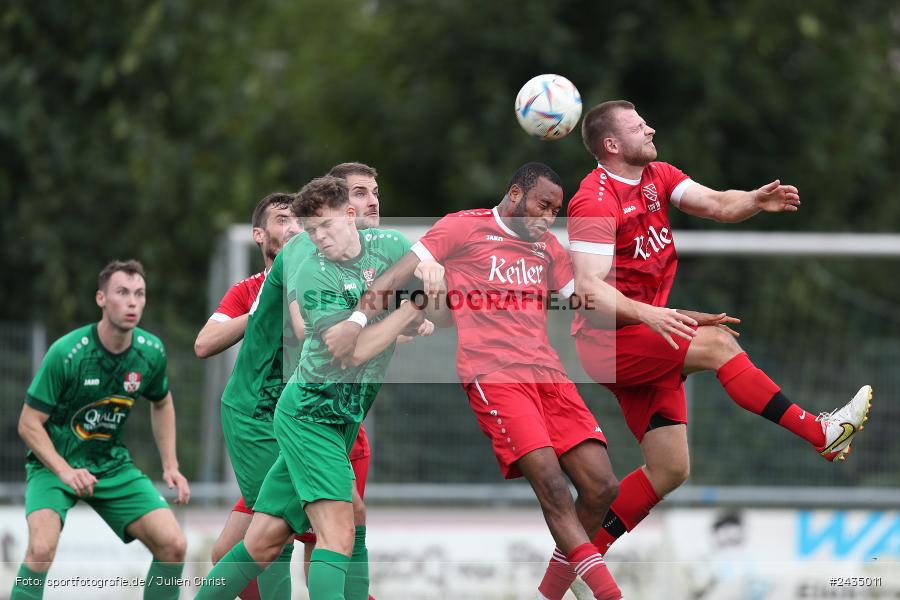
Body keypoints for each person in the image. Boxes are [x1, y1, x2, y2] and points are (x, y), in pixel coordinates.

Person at [536, 100, 873, 598]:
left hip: (642, 333)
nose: (650, 127)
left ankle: (557, 585)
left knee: (670, 469)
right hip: (607, 342)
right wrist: (656, 315)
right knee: (717, 344)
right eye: (637, 126)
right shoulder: (594, 199)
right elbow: (588, 288)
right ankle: (821, 432)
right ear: (611, 145)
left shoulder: (658, 174)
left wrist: (755, 201)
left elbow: (716, 202)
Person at [324, 162, 624, 600]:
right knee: (554, 488)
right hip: (495, 374)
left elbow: (587, 302)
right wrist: (355, 321)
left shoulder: (548, 250)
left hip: (550, 375)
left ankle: (552, 591)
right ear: (515, 194)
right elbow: (395, 277)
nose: (547, 218)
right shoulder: (463, 228)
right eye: (542, 205)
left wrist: (654, 314)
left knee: (602, 486)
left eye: (556, 211)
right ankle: (610, 594)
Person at [195, 175, 433, 600]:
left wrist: (433, 273)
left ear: (348, 215)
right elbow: (340, 345)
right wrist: (407, 312)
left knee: (262, 539)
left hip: (329, 414)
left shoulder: (386, 249)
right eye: (307, 226)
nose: (371, 201)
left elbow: (434, 285)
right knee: (335, 532)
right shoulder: (308, 265)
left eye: (374, 193)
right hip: (286, 413)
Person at [12, 260, 191, 600]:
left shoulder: (150, 352)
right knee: (40, 549)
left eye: (139, 294)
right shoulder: (66, 354)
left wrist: (171, 464)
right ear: (101, 299)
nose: (132, 302)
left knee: (174, 545)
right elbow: (28, 424)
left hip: (110, 464)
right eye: (122, 293)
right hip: (54, 465)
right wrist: (64, 472)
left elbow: (162, 402)